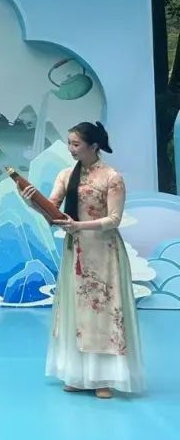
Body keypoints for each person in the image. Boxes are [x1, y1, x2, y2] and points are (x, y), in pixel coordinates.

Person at [20, 121, 144, 397]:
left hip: (104, 252)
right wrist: (32, 202)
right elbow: (53, 211)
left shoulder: (111, 177)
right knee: (76, 312)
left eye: (76, 144)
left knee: (104, 313)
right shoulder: (66, 175)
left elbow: (114, 219)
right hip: (75, 251)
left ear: (94, 146)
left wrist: (79, 226)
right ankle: (78, 374)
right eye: (69, 143)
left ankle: (104, 379)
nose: (71, 148)